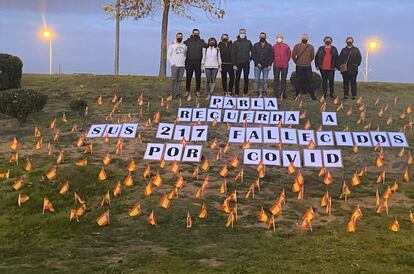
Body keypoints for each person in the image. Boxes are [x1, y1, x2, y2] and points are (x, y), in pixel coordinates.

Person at [292, 34, 316, 100]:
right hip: (299, 66)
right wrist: (297, 62)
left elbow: (312, 56)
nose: (304, 38)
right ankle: (297, 95)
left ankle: (312, 95)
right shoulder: (297, 46)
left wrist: (307, 61)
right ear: (301, 38)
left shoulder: (311, 47)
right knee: (298, 81)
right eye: (303, 37)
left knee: (310, 81)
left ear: (308, 39)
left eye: (306, 38)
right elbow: (293, 55)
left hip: (307, 66)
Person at [184, 29, 207, 97]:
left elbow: (207, 46)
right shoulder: (188, 41)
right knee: (188, 77)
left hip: (198, 62)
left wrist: (215, 46)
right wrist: (174, 42)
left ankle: (197, 91)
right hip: (189, 62)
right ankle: (187, 91)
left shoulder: (201, 41)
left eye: (197, 33)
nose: (196, 34)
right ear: (192, 33)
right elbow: (181, 44)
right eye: (195, 33)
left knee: (198, 77)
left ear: (199, 34)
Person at [232, 28, 253, 96]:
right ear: (239, 33)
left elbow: (253, 51)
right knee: (237, 78)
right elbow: (233, 54)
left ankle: (245, 93)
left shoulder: (248, 42)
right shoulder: (235, 43)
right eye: (241, 33)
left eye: (243, 33)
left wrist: (250, 58)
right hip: (238, 63)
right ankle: (236, 93)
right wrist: (234, 64)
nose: (242, 34)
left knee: (246, 78)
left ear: (245, 33)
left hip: (246, 63)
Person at [252, 32, 274, 96]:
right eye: (261, 36)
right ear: (259, 37)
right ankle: (256, 92)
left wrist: (270, 65)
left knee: (265, 80)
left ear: (266, 37)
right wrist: (257, 63)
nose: (262, 38)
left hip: (266, 66)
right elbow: (253, 55)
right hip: (257, 66)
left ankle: (264, 92)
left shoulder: (269, 46)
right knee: (256, 80)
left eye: (263, 36)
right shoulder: (255, 45)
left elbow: (272, 56)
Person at [167, 32, 187, 98]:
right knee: (173, 79)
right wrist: (172, 63)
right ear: (176, 37)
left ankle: (177, 93)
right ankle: (171, 93)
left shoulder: (184, 46)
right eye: (178, 36)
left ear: (182, 37)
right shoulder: (172, 45)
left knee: (179, 80)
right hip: (175, 66)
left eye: (180, 37)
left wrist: (184, 63)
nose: (179, 38)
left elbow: (186, 55)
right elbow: (168, 55)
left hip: (182, 66)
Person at [272, 33, 291, 98]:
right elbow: (271, 55)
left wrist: (286, 61)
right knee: (276, 79)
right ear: (276, 39)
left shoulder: (286, 46)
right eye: (278, 37)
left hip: (284, 65)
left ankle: (283, 94)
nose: (279, 38)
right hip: (276, 65)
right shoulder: (274, 46)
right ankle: (276, 94)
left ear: (282, 39)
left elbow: (289, 55)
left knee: (283, 80)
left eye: (280, 37)